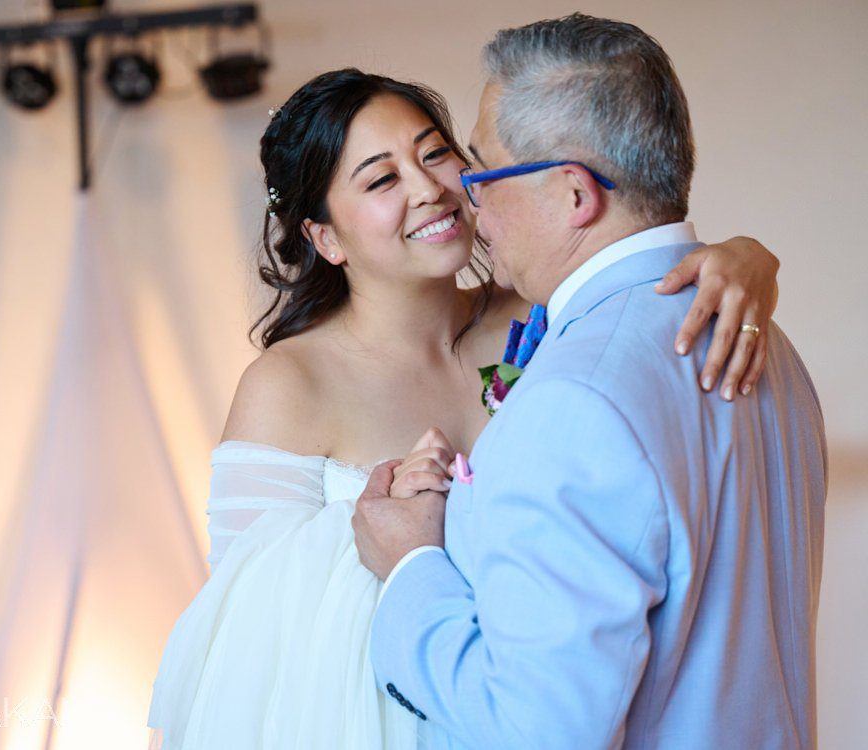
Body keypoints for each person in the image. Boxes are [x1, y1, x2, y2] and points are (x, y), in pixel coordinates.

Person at [147, 66, 782, 749]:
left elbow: (638, 287)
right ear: (326, 239)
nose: (429, 190)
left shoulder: (550, 314)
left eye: (435, 154)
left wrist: (747, 259)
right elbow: (253, 626)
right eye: (382, 179)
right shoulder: (287, 385)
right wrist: (384, 527)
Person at [354, 14, 827, 750]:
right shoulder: (762, 339)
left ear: (575, 195)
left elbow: (535, 732)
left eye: (481, 175)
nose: (468, 204)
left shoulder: (575, 398)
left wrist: (410, 566)